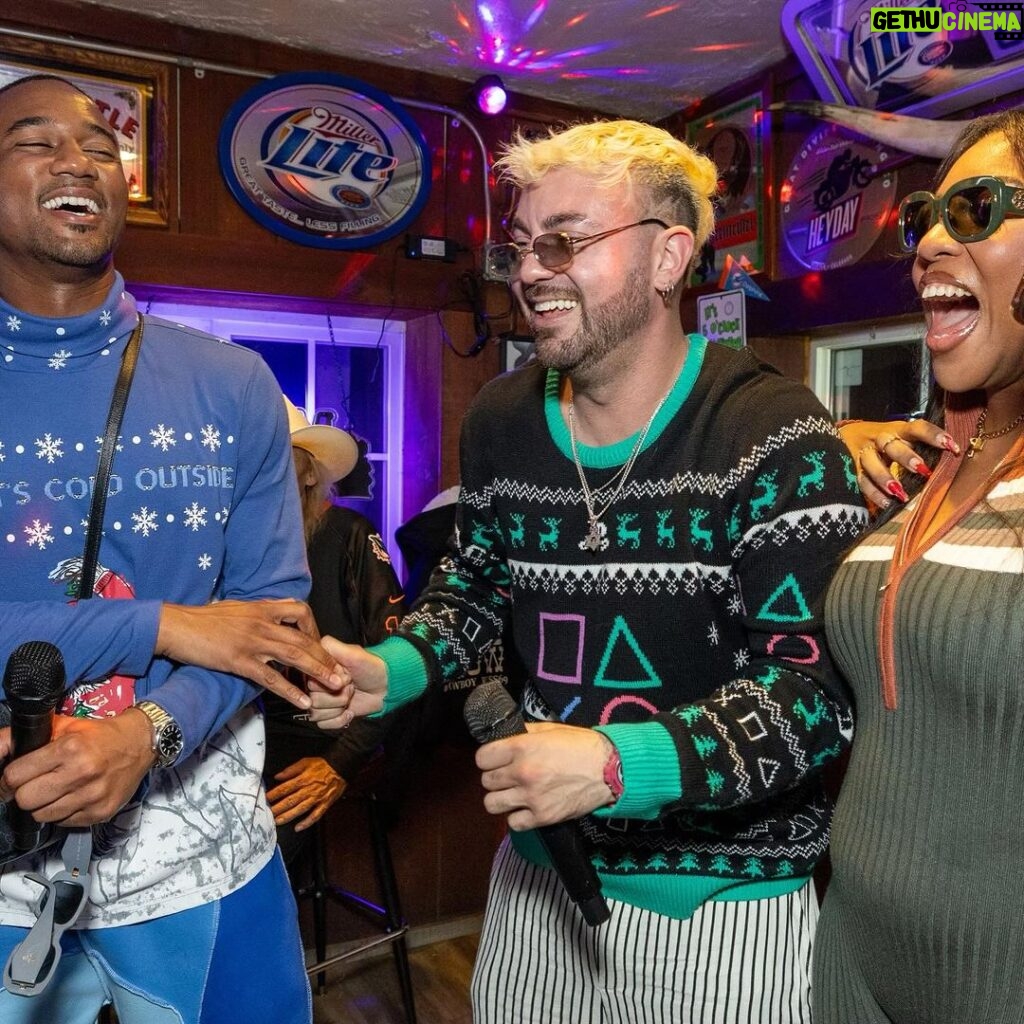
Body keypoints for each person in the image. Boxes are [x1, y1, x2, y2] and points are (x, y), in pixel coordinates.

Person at [312, 119, 867, 1023]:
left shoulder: (774, 433)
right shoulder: (501, 417)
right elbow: (476, 591)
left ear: (667, 257)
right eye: (523, 246)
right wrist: (389, 670)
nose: (531, 270)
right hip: (536, 884)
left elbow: (814, 699)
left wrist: (617, 764)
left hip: (724, 911)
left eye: (567, 240)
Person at [0, 74, 347, 1023]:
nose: (79, 159)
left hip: (205, 863)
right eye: (36, 141)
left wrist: (141, 737)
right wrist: (170, 627)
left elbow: (273, 619)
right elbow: (214, 630)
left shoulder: (231, 382)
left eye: (100, 148)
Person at [811, 109, 1024, 1023]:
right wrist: (830, 443)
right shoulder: (928, 464)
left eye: (976, 209)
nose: (932, 239)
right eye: (925, 217)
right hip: (852, 949)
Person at [263, 399, 405, 863]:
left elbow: (394, 662)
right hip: (244, 738)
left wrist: (340, 762)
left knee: (264, 856)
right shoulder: (234, 544)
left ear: (309, 474)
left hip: (328, 734)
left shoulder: (349, 534)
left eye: (275, 456)